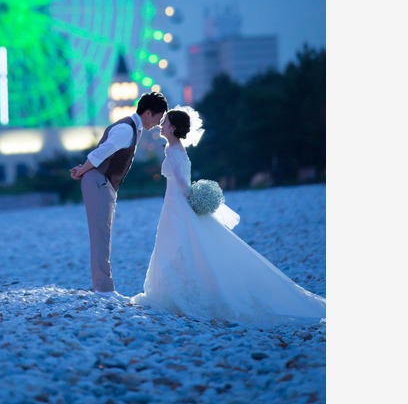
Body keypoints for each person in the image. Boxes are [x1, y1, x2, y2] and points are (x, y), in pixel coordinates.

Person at [130, 106, 327, 324]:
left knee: (175, 243)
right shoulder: (178, 149)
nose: (161, 125)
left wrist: (192, 196)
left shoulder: (171, 150)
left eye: (165, 122)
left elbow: (183, 184)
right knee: (185, 243)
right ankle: (181, 290)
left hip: (176, 205)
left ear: (173, 127)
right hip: (176, 204)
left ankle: (174, 293)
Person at [69, 91, 168, 300]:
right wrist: (82, 170)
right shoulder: (125, 129)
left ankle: (103, 288)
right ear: (148, 113)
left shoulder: (132, 128)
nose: (159, 123)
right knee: (100, 236)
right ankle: (103, 290)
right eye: (159, 118)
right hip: (99, 182)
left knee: (102, 235)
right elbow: (100, 153)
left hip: (101, 182)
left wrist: (84, 169)